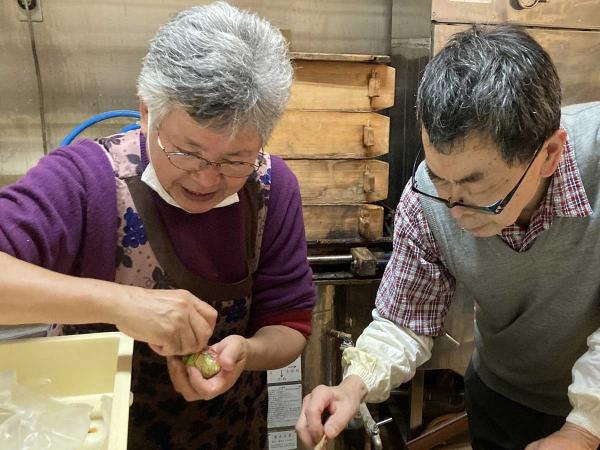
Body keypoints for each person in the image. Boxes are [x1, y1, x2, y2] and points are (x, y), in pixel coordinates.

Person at [0, 2, 315, 449]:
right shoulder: (85, 180)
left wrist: (246, 354)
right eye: (187, 152)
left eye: (234, 160)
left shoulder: (271, 186)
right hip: (95, 430)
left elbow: (291, 323)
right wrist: (119, 303)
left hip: (230, 432)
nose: (207, 179)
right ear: (147, 113)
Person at [297, 25, 600, 450]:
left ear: (548, 154)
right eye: (441, 180)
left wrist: (584, 429)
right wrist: (354, 385)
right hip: (503, 395)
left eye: (477, 189)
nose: (454, 210)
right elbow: (406, 316)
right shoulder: (429, 195)